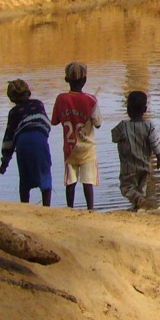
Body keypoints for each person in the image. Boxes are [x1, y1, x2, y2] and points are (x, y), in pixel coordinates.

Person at [51, 62, 102, 210]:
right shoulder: (91, 100)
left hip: (69, 148)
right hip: (87, 150)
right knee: (88, 182)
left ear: (67, 80)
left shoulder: (61, 99)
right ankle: (90, 209)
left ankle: (70, 208)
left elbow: (55, 121)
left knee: (70, 182)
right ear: (85, 80)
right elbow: (98, 124)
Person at [0, 79, 52, 206]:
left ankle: (24, 207)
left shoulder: (14, 113)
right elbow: (47, 124)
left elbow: (9, 139)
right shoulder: (39, 104)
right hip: (40, 140)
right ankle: (47, 207)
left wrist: (4, 163)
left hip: (23, 144)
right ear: (28, 92)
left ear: (12, 99)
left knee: (24, 178)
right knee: (44, 174)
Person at [111, 91, 160, 211]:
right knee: (141, 189)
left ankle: (139, 201)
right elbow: (155, 144)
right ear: (145, 109)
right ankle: (138, 207)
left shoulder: (123, 126)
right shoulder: (149, 126)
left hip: (129, 168)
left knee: (126, 187)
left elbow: (114, 137)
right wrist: (159, 159)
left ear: (128, 109)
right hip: (145, 165)